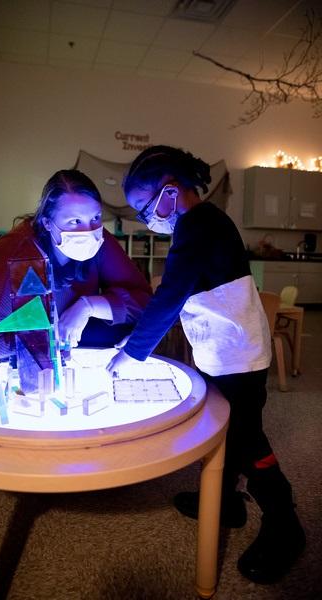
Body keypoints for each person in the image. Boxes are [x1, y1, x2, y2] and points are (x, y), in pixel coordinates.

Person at [106, 145, 305, 584]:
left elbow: (171, 294)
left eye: (144, 206)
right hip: (226, 349)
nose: (144, 217)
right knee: (226, 428)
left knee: (248, 437)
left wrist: (132, 352)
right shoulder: (198, 225)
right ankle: (225, 501)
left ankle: (285, 522)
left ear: (171, 193)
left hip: (239, 355)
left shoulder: (200, 225)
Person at [0, 169, 152, 358]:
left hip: (73, 336)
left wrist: (88, 306)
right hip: (28, 353)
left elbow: (145, 302)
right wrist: (43, 340)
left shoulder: (98, 238)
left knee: (128, 329)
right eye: (74, 221)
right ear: (47, 223)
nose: (88, 230)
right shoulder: (16, 258)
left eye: (95, 217)